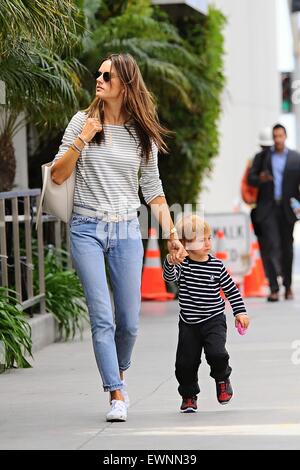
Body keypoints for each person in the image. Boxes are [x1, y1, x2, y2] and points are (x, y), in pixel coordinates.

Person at [51, 53, 186, 422]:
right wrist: (83, 139)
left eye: (107, 75)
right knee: (102, 317)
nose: (99, 79)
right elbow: (58, 176)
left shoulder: (142, 134)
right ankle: (115, 392)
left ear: (125, 84)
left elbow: (153, 189)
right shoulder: (83, 121)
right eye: (98, 74)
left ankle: (119, 372)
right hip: (86, 228)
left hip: (127, 229)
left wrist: (171, 235)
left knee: (128, 320)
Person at [163, 215, 249, 413]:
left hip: (214, 320)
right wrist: (170, 259)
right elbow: (169, 277)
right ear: (185, 244)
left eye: (209, 238)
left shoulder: (217, 266)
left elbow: (231, 290)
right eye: (202, 239)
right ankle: (189, 395)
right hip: (189, 323)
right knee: (185, 363)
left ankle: (222, 378)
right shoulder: (182, 265)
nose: (208, 243)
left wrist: (240, 312)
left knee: (217, 353)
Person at [248, 124, 300, 302]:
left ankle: (288, 286)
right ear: (272, 137)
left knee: (287, 247)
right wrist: (260, 178)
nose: (277, 139)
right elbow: (251, 178)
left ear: (285, 137)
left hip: (287, 209)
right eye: (275, 136)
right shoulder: (263, 157)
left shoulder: (295, 158)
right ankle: (274, 288)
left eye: (280, 136)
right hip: (268, 208)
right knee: (271, 246)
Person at [249, 127, 273, 280]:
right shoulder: (258, 158)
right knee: (265, 245)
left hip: (280, 209)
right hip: (263, 209)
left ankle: (283, 279)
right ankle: (272, 281)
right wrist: (260, 179)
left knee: (281, 245)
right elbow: (250, 179)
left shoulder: (285, 158)